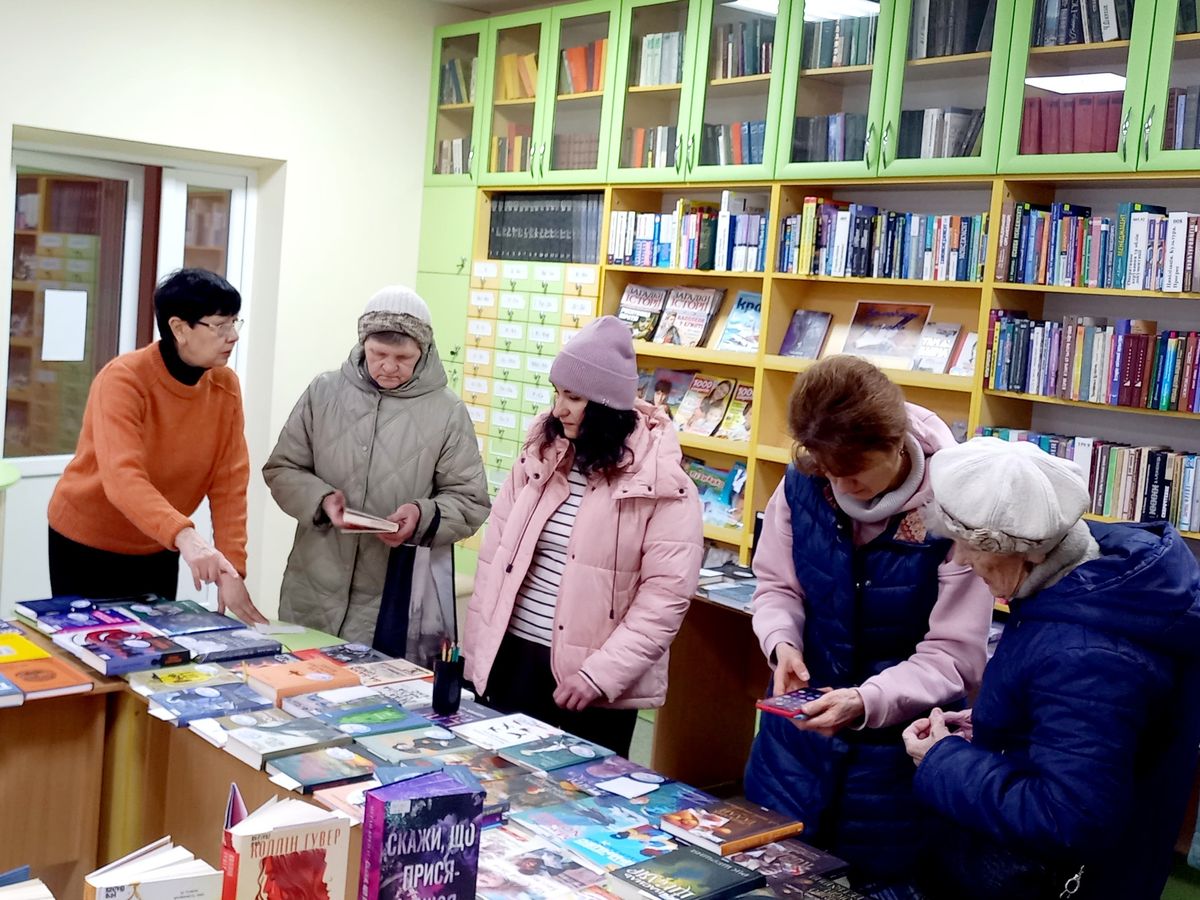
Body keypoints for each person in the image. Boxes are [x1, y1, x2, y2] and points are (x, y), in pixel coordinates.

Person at [904, 437, 1200, 900]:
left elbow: (1068, 818)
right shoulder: (1081, 586)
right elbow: (1090, 740)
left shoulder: (1088, 654)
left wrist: (942, 759)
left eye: (968, 544)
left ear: (1027, 550)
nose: (959, 559)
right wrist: (999, 728)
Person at [742, 355, 993, 892]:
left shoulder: (955, 511)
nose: (840, 485)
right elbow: (777, 586)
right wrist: (782, 643)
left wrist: (866, 700)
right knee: (774, 877)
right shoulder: (802, 483)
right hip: (793, 750)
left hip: (894, 765)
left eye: (853, 471)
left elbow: (954, 656)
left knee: (876, 886)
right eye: (827, 471)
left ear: (896, 444)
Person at [463, 316, 703, 758]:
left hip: (591, 684)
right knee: (496, 781)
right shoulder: (538, 456)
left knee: (578, 795)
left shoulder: (662, 483)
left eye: (573, 397)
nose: (559, 409)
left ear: (607, 405)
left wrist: (600, 675)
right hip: (512, 659)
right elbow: (495, 558)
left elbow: (664, 600)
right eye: (557, 393)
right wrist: (477, 652)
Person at [264, 286, 489, 653]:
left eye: (403, 357)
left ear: (424, 351)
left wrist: (421, 515)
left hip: (395, 595)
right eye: (378, 354)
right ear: (362, 345)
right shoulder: (323, 392)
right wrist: (321, 501)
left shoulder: (447, 412)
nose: (388, 366)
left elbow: (471, 501)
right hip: (313, 586)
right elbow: (282, 468)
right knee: (301, 679)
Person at [46, 268, 266, 624]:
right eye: (220, 325)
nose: (233, 336)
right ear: (179, 328)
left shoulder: (224, 386)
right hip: (88, 542)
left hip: (160, 542)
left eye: (234, 322)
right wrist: (186, 537)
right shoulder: (124, 380)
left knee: (157, 646)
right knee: (90, 647)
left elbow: (229, 482)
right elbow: (123, 478)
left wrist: (231, 569)